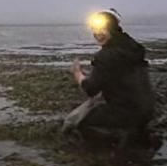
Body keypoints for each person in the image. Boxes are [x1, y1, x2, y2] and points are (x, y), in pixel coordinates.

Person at [67, 10, 156, 145]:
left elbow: (91, 89)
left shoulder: (106, 55)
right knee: (96, 106)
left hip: (125, 112)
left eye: (103, 29)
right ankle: (135, 133)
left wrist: (77, 73)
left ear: (112, 29)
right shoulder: (132, 47)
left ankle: (114, 144)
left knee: (73, 122)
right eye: (95, 29)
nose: (98, 33)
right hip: (147, 111)